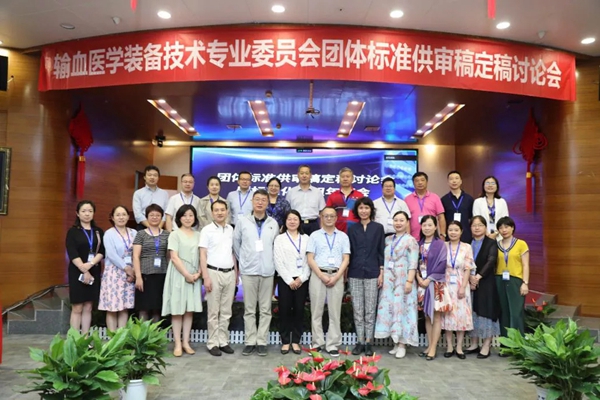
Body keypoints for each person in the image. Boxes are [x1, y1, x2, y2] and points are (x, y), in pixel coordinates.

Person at [233, 189, 279, 357]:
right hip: (249, 271)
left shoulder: (273, 223)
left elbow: (275, 246)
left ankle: (262, 341)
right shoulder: (243, 222)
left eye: (263, 200)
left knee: (265, 309)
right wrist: (245, 260)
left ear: (267, 203)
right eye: (257, 199)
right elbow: (236, 244)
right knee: (249, 309)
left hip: (267, 271)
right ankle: (250, 341)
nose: (260, 202)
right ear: (252, 202)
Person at [374, 211, 419, 359]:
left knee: (403, 310)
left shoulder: (411, 240)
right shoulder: (388, 240)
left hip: (403, 280)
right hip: (389, 281)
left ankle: (402, 344)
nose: (398, 223)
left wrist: (409, 281)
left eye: (401, 220)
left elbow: (413, 263)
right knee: (392, 310)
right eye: (396, 220)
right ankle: (395, 341)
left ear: (407, 222)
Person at [307, 206, 351, 357]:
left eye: (332, 216)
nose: (329, 218)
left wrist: (337, 277)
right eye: (326, 216)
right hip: (318, 274)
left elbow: (346, 259)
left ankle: (332, 344)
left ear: (336, 218)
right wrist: (321, 276)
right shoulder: (314, 236)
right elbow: (310, 258)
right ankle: (317, 343)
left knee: (334, 312)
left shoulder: (343, 237)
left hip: (336, 275)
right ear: (321, 218)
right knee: (316, 311)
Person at [162, 205, 203, 357]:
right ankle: (177, 344)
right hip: (179, 274)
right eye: (184, 215)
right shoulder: (174, 234)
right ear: (179, 218)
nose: (188, 218)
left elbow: (203, 255)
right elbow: (174, 257)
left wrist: (199, 272)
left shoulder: (199, 235)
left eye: (191, 215)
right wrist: (186, 274)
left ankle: (186, 342)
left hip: (194, 275)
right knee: (177, 309)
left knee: (189, 310)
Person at [199, 199, 238, 357]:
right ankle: (213, 343)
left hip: (230, 273)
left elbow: (233, 253)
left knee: (226, 311)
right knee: (213, 311)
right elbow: (202, 255)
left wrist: (236, 273)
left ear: (227, 211)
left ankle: (223, 341)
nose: (220, 212)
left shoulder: (231, 229)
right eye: (216, 210)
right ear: (212, 212)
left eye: (223, 210)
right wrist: (205, 277)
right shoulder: (206, 230)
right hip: (213, 273)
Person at [347, 198, 385, 356]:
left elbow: (381, 250)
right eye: (361, 208)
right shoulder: (352, 228)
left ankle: (369, 342)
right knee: (357, 310)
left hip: (372, 272)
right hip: (355, 272)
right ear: (357, 210)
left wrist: (381, 271)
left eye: (366, 208)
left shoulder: (378, 228)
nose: (363, 211)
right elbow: (349, 252)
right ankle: (360, 341)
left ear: (371, 210)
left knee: (370, 309)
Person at [274, 210, 311, 355]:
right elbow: (278, 261)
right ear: (285, 221)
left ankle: (295, 340)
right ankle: (285, 341)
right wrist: (289, 280)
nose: (292, 221)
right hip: (285, 280)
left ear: (300, 221)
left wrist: (302, 278)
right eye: (289, 219)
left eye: (295, 219)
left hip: (302, 280)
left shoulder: (306, 238)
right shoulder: (280, 239)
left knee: (299, 310)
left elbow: (309, 260)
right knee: (284, 310)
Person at [65, 200, 105, 335]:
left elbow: (102, 251)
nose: (87, 214)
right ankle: (75, 339)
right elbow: (72, 252)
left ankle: (85, 338)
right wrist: (84, 269)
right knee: (77, 307)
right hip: (77, 271)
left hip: (94, 269)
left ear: (93, 213)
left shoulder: (98, 231)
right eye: (83, 211)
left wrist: (91, 264)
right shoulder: (73, 232)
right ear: (77, 213)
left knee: (88, 307)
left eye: (90, 211)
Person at [464, 216, 500, 359]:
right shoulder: (468, 243)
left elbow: (491, 261)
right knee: (473, 311)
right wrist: (470, 278)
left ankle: (486, 345)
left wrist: (478, 277)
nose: (477, 228)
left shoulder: (491, 243)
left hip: (486, 282)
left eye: (480, 225)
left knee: (486, 312)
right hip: (469, 281)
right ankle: (474, 343)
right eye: (474, 225)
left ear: (485, 227)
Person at [440, 221, 475, 360]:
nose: (453, 232)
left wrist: (463, 286)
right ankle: (449, 346)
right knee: (448, 315)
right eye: (450, 230)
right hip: (446, 283)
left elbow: (468, 268)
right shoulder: (443, 245)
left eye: (456, 230)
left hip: (461, 283)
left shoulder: (467, 247)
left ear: (461, 232)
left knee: (461, 315)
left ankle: (459, 347)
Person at [99, 205, 136, 331]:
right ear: (112, 217)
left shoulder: (134, 233)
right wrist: (126, 268)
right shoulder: (109, 234)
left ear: (128, 216)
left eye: (124, 214)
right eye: (118, 215)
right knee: (112, 307)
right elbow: (111, 254)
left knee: (124, 306)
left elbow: (137, 253)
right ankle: (113, 338)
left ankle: (122, 337)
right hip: (114, 273)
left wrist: (133, 271)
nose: (121, 217)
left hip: (130, 274)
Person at [415, 215, 447, 361]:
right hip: (422, 284)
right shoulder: (418, 244)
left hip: (435, 283)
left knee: (436, 316)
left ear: (435, 227)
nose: (427, 228)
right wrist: (419, 278)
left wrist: (429, 279)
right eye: (424, 225)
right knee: (427, 316)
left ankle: (433, 348)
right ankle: (429, 345)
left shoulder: (440, 244)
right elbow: (414, 263)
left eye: (430, 225)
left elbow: (442, 263)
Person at [132, 204, 169, 322]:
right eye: (151, 215)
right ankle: (143, 333)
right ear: (147, 217)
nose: (154, 217)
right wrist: (138, 277)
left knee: (157, 308)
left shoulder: (167, 234)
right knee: (144, 308)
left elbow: (169, 255)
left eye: (157, 215)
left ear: (161, 217)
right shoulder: (141, 234)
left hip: (162, 274)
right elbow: (136, 256)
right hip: (145, 275)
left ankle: (155, 333)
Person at [495, 216, 529, 339]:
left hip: (515, 280)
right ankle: (505, 343)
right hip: (499, 279)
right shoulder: (496, 245)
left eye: (506, 227)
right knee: (503, 311)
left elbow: (525, 265)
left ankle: (517, 343)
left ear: (512, 228)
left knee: (516, 312)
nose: (504, 230)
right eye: (501, 228)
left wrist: (525, 282)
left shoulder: (521, 244)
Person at [286, 165, 326, 236]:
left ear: (310, 175)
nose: (304, 176)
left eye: (306, 173)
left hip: (313, 225)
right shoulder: (291, 192)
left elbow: (322, 212)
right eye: (302, 173)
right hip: (296, 225)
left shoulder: (317, 192)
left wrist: (322, 229)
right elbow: (287, 211)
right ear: (298, 175)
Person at [405, 172, 446, 240]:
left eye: (422, 180)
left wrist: (442, 234)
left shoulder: (435, 197)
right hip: (413, 238)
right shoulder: (407, 199)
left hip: (432, 238)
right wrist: (407, 237)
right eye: (417, 181)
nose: (420, 182)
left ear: (427, 182)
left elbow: (441, 217)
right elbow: (406, 220)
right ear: (413, 183)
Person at [326, 167, 364, 233]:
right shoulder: (333, 196)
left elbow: (363, 213)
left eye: (348, 176)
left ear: (352, 179)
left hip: (356, 230)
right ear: (339, 179)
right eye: (343, 177)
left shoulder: (359, 195)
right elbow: (327, 213)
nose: (345, 179)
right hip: (337, 230)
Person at [132, 165, 169, 231]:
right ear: (144, 177)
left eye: (155, 175)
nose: (152, 177)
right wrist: (151, 228)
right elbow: (138, 214)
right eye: (149, 175)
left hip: (160, 226)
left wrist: (159, 227)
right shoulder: (138, 193)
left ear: (158, 178)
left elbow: (166, 212)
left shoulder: (164, 193)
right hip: (143, 226)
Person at [441, 171, 474, 242]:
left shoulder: (469, 199)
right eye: (451, 179)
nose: (454, 181)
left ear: (461, 181)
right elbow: (442, 219)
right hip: (450, 235)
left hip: (466, 235)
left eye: (456, 178)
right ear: (448, 182)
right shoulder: (444, 200)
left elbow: (471, 218)